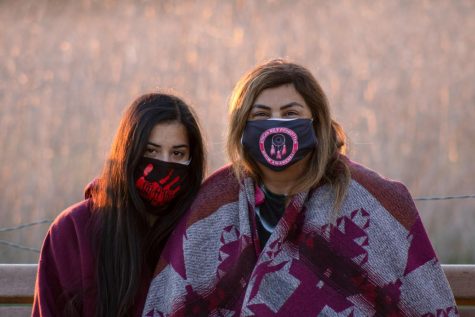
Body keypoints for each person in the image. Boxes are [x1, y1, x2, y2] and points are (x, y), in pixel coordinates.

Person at [142, 59, 458, 316]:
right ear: (241, 128)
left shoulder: (370, 200)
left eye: (291, 113)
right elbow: (174, 301)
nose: (276, 125)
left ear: (316, 123)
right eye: (261, 115)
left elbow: (421, 302)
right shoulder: (213, 202)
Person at [32, 92, 206, 317]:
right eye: (151, 150)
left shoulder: (199, 231)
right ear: (127, 153)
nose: (165, 163)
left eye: (177, 153)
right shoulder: (73, 229)